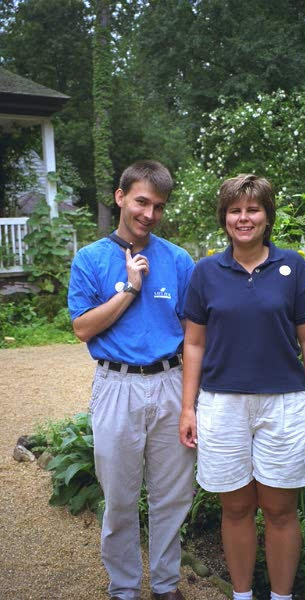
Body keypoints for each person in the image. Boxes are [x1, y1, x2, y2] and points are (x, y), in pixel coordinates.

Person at [179, 174, 305, 600]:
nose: (243, 218)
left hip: (283, 404)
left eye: (253, 209)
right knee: (236, 507)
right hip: (221, 404)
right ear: (224, 218)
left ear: (267, 216)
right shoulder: (206, 272)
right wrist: (188, 408)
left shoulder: (292, 267)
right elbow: (194, 343)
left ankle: (281, 596)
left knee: (280, 510)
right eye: (235, 210)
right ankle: (241, 595)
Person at [68, 160, 195, 600]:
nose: (149, 213)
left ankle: (165, 584)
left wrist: (193, 399)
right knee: (120, 498)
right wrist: (131, 287)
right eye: (142, 202)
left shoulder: (178, 260)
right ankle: (123, 588)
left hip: (171, 381)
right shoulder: (90, 259)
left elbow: (193, 334)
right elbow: (83, 328)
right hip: (116, 385)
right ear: (120, 197)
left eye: (159, 206)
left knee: (172, 495)